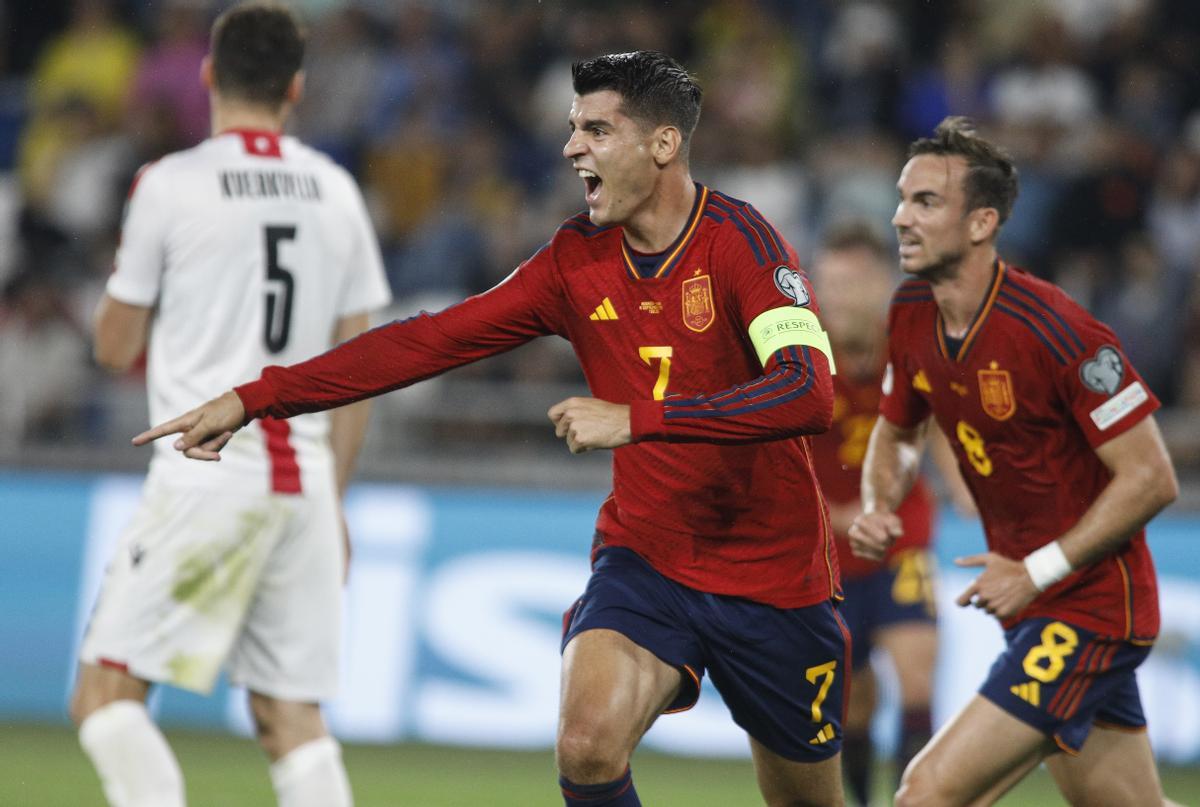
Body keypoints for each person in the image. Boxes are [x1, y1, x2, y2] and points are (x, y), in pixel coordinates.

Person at [136, 51, 849, 807]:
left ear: (663, 145)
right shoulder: (574, 262)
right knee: (586, 743)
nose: (573, 147)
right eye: (574, 129)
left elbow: (809, 392)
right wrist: (258, 396)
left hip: (776, 577)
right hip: (649, 558)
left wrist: (639, 420)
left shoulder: (744, 243)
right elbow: (425, 339)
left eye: (597, 130)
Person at [70, 4, 391, 807]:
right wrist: (338, 502)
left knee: (105, 700)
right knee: (291, 717)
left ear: (210, 75)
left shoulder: (169, 182)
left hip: (205, 471)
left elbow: (113, 347)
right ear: (296, 87)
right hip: (305, 480)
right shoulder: (337, 191)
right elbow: (360, 367)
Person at [849, 117, 1181, 806]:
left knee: (926, 793)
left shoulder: (1059, 332)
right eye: (902, 199)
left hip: (1091, 608)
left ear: (981, 223)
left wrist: (1038, 570)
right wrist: (881, 502)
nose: (899, 218)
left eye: (925, 203)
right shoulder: (912, 308)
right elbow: (898, 428)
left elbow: (1152, 477)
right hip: (1035, 608)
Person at [809, 221, 970, 806]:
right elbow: (770, 462)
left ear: (880, 284)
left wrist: (967, 492)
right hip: (826, 557)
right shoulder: (797, 358)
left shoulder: (910, 348)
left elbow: (943, 427)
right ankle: (863, 800)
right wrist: (835, 514)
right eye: (828, 283)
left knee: (919, 680)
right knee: (855, 705)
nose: (839, 297)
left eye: (851, 282)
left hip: (902, 541)